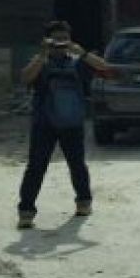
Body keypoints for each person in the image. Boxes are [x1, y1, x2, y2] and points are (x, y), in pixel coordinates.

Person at [16, 20, 109, 230]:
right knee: (36, 167)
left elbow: (104, 67)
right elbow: (25, 77)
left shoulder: (77, 61)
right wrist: (42, 54)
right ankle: (26, 211)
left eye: (63, 39)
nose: (59, 43)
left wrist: (82, 52)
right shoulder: (40, 61)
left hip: (72, 124)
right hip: (44, 124)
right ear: (47, 39)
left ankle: (84, 202)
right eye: (55, 39)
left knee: (77, 165)